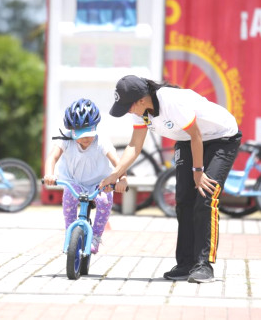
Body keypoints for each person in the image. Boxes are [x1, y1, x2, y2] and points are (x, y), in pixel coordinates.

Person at [99, 75, 242, 283]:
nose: (127, 111)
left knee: (205, 196)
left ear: (140, 99)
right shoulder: (141, 112)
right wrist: (115, 173)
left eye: (127, 106)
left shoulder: (171, 102)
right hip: (187, 140)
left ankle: (204, 264)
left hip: (222, 138)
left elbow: (197, 135)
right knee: (183, 200)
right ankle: (185, 264)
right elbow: (134, 146)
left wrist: (198, 171)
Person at [44, 98, 127, 254]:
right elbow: (52, 157)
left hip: (99, 183)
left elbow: (117, 161)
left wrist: (122, 179)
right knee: (69, 196)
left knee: (104, 199)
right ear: (72, 131)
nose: (85, 138)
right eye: (80, 134)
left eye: (89, 133)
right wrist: (49, 174)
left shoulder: (101, 141)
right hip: (74, 182)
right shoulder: (66, 139)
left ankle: (96, 236)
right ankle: (70, 232)